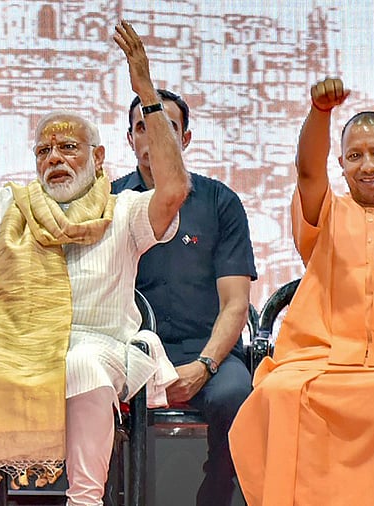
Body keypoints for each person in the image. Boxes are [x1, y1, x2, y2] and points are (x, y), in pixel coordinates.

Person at [0, 16, 188, 506]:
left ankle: (84, 500)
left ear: (99, 156)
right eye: (44, 150)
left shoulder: (126, 209)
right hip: (14, 345)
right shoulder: (13, 207)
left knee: (83, 366)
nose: (55, 158)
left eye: (68, 147)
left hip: (96, 343)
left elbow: (173, 190)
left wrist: (146, 93)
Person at [229, 69, 374, 506]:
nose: (368, 165)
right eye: (354, 156)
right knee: (277, 392)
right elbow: (307, 171)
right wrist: (319, 114)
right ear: (341, 164)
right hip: (320, 360)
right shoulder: (325, 213)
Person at [111, 89, 256, 505]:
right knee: (89, 391)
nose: (153, 137)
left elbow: (235, 303)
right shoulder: (110, 200)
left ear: (185, 139)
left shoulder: (219, 202)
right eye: (143, 127)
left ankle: (216, 493)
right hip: (130, 352)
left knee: (236, 394)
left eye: (166, 128)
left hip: (205, 351)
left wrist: (204, 365)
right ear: (130, 139)